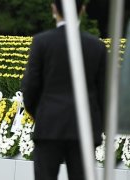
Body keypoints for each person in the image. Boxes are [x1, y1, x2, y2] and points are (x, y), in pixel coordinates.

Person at [21, 0, 107, 180]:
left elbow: (30, 87)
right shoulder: (96, 46)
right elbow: (104, 94)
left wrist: (42, 113)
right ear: (82, 10)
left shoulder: (41, 42)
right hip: (84, 127)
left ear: (53, 9)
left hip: (49, 125)